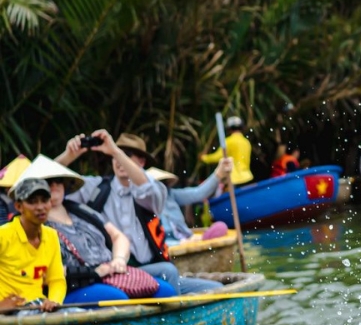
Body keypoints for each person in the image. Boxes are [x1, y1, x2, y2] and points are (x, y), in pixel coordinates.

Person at [55, 131, 220, 295]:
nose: (119, 161)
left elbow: (147, 189)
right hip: (115, 269)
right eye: (115, 156)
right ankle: (174, 320)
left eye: (127, 155)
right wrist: (68, 155)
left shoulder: (151, 191)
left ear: (141, 162)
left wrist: (116, 152)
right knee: (168, 271)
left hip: (150, 268)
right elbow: (43, 184)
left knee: (216, 289)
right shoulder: (96, 188)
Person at [21, 155, 178, 305]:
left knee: (165, 291)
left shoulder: (81, 210)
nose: (54, 186)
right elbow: (40, 272)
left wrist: (118, 260)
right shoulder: (31, 223)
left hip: (110, 275)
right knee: (116, 298)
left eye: (58, 181)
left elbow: (118, 237)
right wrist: (93, 273)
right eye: (48, 182)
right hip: (73, 285)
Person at [0, 177, 64, 314]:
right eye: (32, 202)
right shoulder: (3, 235)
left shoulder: (52, 236)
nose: (40, 207)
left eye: (44, 200)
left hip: (39, 305)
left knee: (79, 315)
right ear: (18, 206)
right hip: (12, 311)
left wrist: (54, 301)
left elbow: (56, 280)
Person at [146, 160, 233, 244]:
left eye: (163, 183)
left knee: (221, 227)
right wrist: (180, 243)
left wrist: (218, 174)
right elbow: (154, 241)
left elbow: (199, 193)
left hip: (186, 237)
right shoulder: (144, 205)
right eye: (157, 184)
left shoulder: (170, 195)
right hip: (168, 244)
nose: (161, 188)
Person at [201, 116, 254, 185]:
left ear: (229, 129)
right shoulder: (246, 142)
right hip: (248, 177)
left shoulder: (228, 142)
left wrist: (204, 158)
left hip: (234, 180)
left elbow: (218, 157)